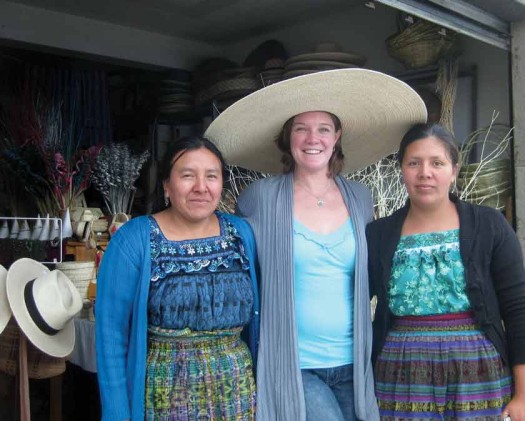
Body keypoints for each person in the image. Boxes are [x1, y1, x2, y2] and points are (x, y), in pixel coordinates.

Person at [205, 68, 427, 421]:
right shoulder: (260, 197)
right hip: (294, 364)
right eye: (301, 128)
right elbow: (233, 261)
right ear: (287, 137)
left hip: (354, 362)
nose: (313, 138)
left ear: (337, 136)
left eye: (323, 128)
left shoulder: (359, 197)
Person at [367, 123, 525, 421]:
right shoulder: (377, 234)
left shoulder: (489, 225)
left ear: (454, 170)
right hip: (400, 374)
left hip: (478, 373)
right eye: (414, 163)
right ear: (402, 169)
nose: (425, 173)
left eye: (437, 163)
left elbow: (517, 309)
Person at [95, 136, 260, 421]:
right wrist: (117, 413)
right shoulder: (135, 239)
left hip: (238, 393)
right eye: (187, 176)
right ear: (167, 186)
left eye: (211, 176)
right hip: (166, 395)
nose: (201, 187)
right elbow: (111, 334)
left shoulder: (241, 234)